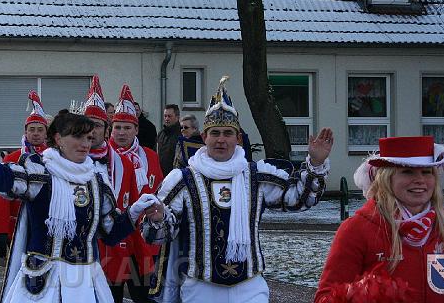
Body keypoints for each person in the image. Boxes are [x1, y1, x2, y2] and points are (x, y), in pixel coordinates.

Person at [0, 110, 162, 302]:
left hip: (84, 284)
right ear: (58, 138)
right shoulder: (40, 172)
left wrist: (135, 211)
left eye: (88, 137)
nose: (85, 143)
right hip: (42, 284)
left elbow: (110, 232)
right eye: (78, 136)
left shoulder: (96, 181)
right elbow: (3, 179)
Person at [141, 76, 333, 302]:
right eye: (215, 133)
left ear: (238, 138)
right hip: (201, 287)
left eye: (227, 133)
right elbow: (158, 236)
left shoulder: (256, 175)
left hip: (249, 286)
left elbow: (298, 198)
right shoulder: (183, 179)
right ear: (204, 137)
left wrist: (316, 163)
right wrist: (158, 218)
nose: (221, 140)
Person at [315, 136, 444, 303]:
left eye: (426, 172)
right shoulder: (356, 230)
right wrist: (360, 295)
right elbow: (325, 297)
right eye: (407, 171)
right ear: (387, 179)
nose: (420, 180)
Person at [74, 76, 143, 303]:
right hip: (78, 253)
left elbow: (133, 211)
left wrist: (138, 253)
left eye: (98, 125)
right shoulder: (66, 162)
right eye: (88, 124)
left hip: (114, 251)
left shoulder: (124, 165)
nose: (92, 131)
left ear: (106, 130)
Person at [109, 84, 164, 301]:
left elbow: (159, 190)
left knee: (142, 294)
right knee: (112, 294)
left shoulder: (150, 156)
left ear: (136, 129)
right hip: (114, 236)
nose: (121, 132)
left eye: (127, 127)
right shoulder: (105, 156)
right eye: (117, 127)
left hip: (141, 239)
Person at [0, 90, 49, 258]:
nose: (36, 133)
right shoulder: (12, 159)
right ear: (25, 132)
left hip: (47, 226)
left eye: (40, 129)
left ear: (46, 133)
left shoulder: (54, 158)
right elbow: (1, 196)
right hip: (17, 227)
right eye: (32, 129)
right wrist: (0, 231)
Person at [156, 104, 181, 176]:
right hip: (160, 174)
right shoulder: (161, 134)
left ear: (177, 117)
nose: (166, 119)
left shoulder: (181, 135)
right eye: (165, 116)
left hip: (174, 175)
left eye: (169, 116)